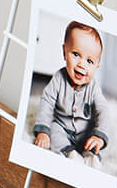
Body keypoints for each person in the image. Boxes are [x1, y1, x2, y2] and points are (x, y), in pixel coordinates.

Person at [33, 20, 110, 164]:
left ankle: (90, 156)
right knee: (54, 132)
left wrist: (99, 135)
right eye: (76, 54)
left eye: (89, 61)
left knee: (94, 144)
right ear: (64, 52)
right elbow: (47, 101)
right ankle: (68, 153)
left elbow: (103, 110)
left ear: (97, 66)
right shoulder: (58, 78)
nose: (81, 64)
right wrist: (43, 131)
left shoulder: (93, 88)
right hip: (62, 126)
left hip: (85, 132)